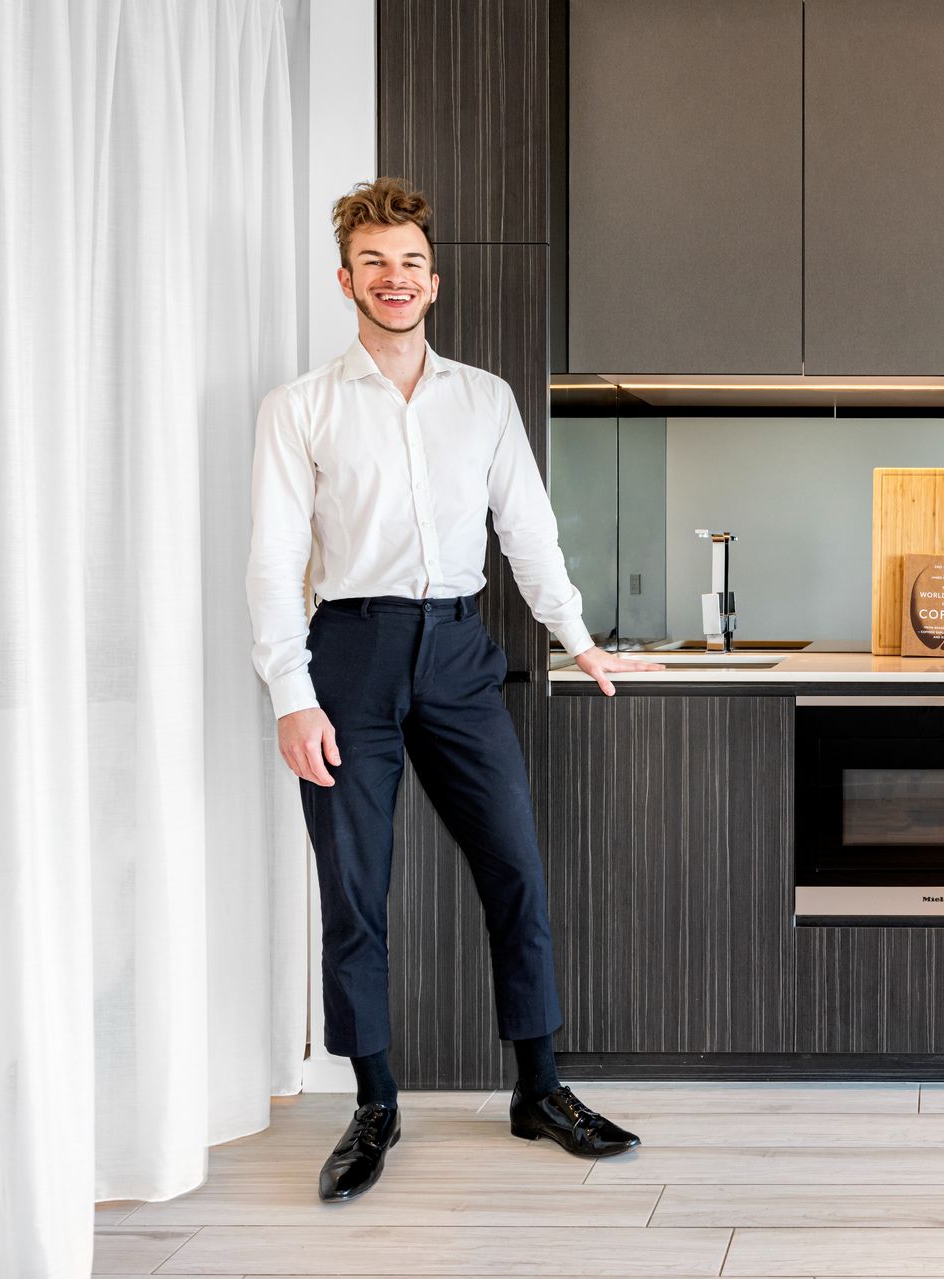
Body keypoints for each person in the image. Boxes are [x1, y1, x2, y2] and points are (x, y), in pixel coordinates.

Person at [245, 176, 663, 1202]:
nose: (395, 279)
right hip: (349, 654)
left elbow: (528, 529)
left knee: (515, 868)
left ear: (435, 281)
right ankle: (374, 1105)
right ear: (347, 279)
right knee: (355, 891)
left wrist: (578, 639)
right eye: (375, 263)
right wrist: (291, 692)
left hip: (461, 653)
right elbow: (274, 559)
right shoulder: (299, 408)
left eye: (412, 263)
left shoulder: (485, 399)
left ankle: (539, 1089)